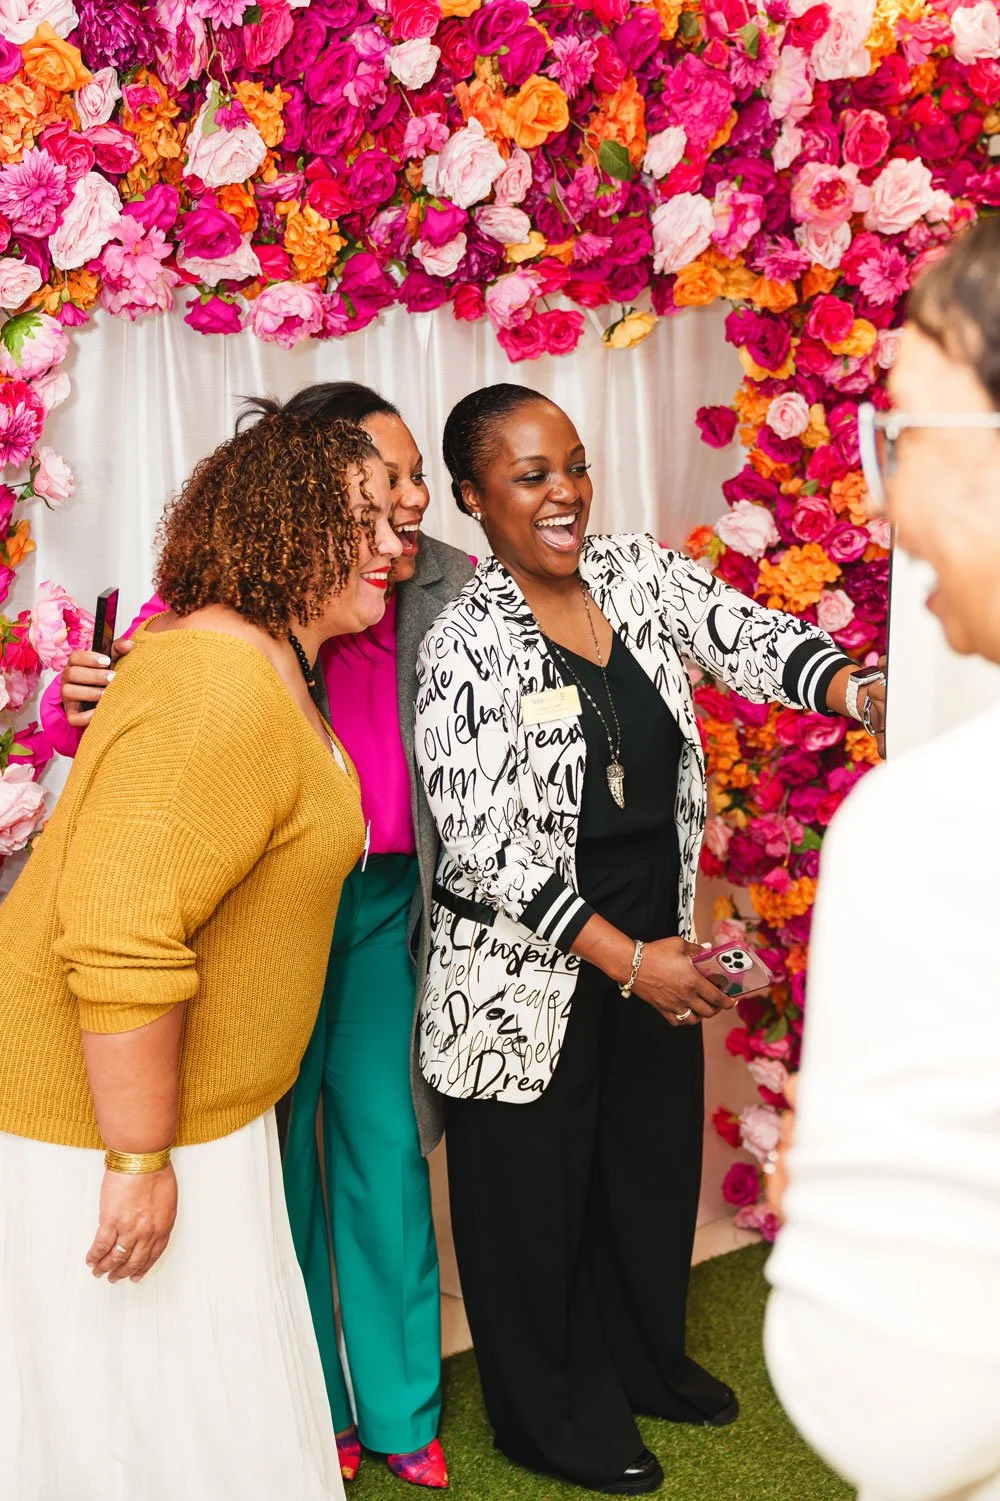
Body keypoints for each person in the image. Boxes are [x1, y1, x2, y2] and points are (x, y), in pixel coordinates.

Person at [411, 383, 887, 1496]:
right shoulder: (463, 643)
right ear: (474, 498)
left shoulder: (635, 574)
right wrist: (629, 960)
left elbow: (746, 636)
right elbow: (484, 851)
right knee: (531, 1205)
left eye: (571, 463)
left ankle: (643, 1362)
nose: (565, 490)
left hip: (653, 937)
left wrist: (857, 687)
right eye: (531, 476)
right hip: (527, 972)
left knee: (643, 1169)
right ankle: (551, 1417)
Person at [39, 382, 474, 1489]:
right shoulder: (217, 640)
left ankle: (393, 1408)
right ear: (300, 517)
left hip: (373, 904)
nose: (405, 519)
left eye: (407, 487)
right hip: (240, 935)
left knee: (377, 1144)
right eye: (377, 497)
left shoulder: (405, 603)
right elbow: (127, 836)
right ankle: (309, 1403)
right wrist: (139, 1156)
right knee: (263, 1166)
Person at [764, 219, 1000, 1501]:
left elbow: (895, 1405)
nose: (882, 503)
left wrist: (845, 1209)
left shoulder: (934, 825)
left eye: (901, 439)